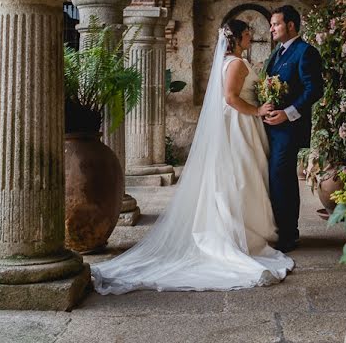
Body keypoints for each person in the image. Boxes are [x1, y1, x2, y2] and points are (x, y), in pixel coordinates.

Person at [90, 19, 293, 294]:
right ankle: (240, 235)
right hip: (239, 124)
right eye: (247, 34)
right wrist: (257, 111)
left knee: (243, 175)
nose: (250, 38)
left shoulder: (230, 61)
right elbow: (231, 98)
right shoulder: (235, 63)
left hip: (239, 124)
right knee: (242, 176)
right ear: (237, 37)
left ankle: (246, 229)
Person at [263, 5, 324, 252]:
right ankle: (279, 229)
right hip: (271, 127)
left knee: (282, 178)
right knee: (276, 178)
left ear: (290, 25)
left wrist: (287, 115)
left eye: (276, 24)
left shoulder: (306, 52)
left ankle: (289, 234)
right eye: (271, 25)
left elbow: (314, 90)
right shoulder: (276, 54)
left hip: (289, 128)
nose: (271, 29)